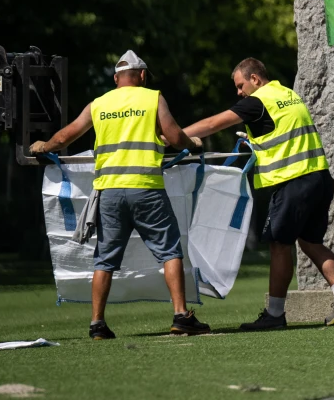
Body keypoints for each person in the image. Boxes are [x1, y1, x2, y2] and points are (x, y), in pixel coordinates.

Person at [29, 50, 211, 339]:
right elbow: (176, 138)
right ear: (142, 76)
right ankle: (181, 316)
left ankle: (97, 324)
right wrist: (194, 143)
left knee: (105, 259)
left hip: (109, 192)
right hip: (146, 189)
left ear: (116, 79)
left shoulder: (99, 104)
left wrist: (43, 146)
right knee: (169, 251)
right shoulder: (153, 98)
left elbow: (65, 136)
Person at [184, 58, 334, 330]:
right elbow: (280, 131)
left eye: (240, 85)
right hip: (319, 178)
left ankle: (274, 315)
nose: (239, 93)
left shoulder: (257, 101)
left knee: (279, 244)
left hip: (292, 181)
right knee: (311, 242)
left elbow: (213, 123)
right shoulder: (286, 94)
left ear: (255, 79)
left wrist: (175, 136)